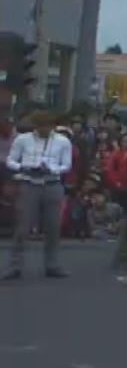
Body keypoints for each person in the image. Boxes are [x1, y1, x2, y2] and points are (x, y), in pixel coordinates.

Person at [5, 111, 73, 281]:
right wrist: (24, 167)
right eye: (41, 126)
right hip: (29, 183)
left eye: (48, 126)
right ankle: (15, 266)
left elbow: (67, 165)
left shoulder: (63, 141)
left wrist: (52, 169)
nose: (44, 129)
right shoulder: (23, 139)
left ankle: (52, 265)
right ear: (35, 126)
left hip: (52, 184)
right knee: (22, 227)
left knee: (53, 227)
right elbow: (10, 161)